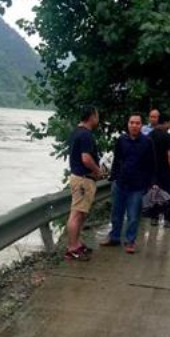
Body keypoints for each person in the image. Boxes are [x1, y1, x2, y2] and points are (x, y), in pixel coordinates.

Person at [102, 114, 156, 253]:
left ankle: (130, 242)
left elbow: (151, 164)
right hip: (120, 183)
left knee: (133, 216)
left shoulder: (147, 142)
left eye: (137, 123)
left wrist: (151, 183)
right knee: (116, 214)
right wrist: (113, 178)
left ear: (141, 125)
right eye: (132, 122)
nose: (134, 125)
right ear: (128, 124)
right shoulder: (121, 140)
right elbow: (117, 160)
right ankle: (114, 237)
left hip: (137, 186)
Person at [65, 106, 103, 261]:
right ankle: (72, 248)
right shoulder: (86, 135)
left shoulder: (76, 132)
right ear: (92, 116)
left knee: (80, 214)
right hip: (83, 179)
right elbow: (86, 158)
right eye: (97, 115)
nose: (98, 118)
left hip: (78, 176)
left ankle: (77, 243)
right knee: (76, 214)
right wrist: (97, 171)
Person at [148, 115, 170, 227]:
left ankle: (154, 218)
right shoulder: (167, 136)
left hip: (152, 171)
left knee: (154, 194)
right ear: (166, 122)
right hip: (165, 171)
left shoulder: (150, 135)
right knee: (167, 195)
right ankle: (168, 219)